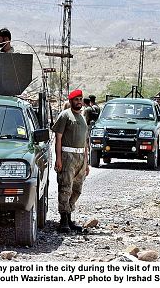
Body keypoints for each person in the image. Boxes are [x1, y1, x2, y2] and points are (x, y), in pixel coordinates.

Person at [52, 89, 90, 233]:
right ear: (71, 101)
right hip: (68, 156)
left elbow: (85, 141)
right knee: (65, 188)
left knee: (77, 189)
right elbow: (58, 138)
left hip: (81, 158)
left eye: (80, 99)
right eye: (76, 99)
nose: (79, 101)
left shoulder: (82, 117)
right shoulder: (65, 115)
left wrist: (86, 162)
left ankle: (69, 216)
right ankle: (63, 220)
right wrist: (59, 159)